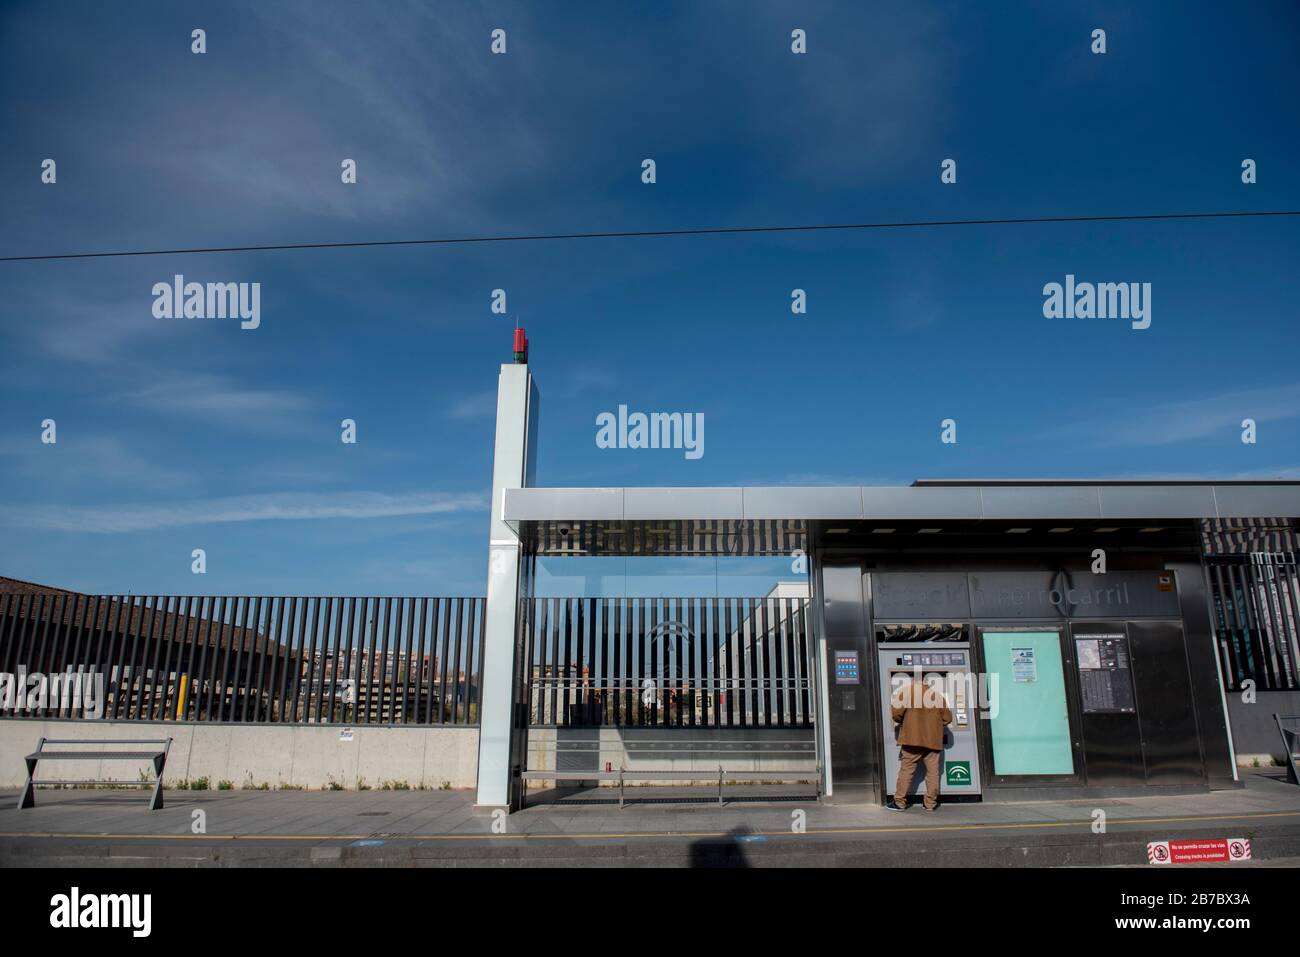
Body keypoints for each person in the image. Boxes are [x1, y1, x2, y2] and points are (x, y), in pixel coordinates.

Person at [886, 673, 952, 812]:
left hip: (912, 740)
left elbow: (896, 714)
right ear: (926, 682)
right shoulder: (937, 696)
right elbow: (947, 718)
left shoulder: (906, 692)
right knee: (933, 772)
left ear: (912, 681)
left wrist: (905, 722)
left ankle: (899, 802)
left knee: (907, 771)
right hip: (933, 740)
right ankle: (930, 803)